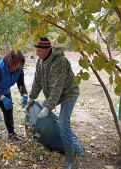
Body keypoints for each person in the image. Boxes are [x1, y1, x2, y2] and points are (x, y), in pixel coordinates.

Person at [26, 37, 80, 169]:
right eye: (36, 50)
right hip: (54, 95)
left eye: (38, 51)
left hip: (68, 94)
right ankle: (52, 137)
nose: (36, 53)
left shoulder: (60, 62)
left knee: (63, 121)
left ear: (47, 49)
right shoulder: (40, 61)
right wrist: (31, 97)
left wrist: (48, 106)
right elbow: (37, 81)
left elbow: (58, 87)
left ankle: (70, 159)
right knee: (42, 114)